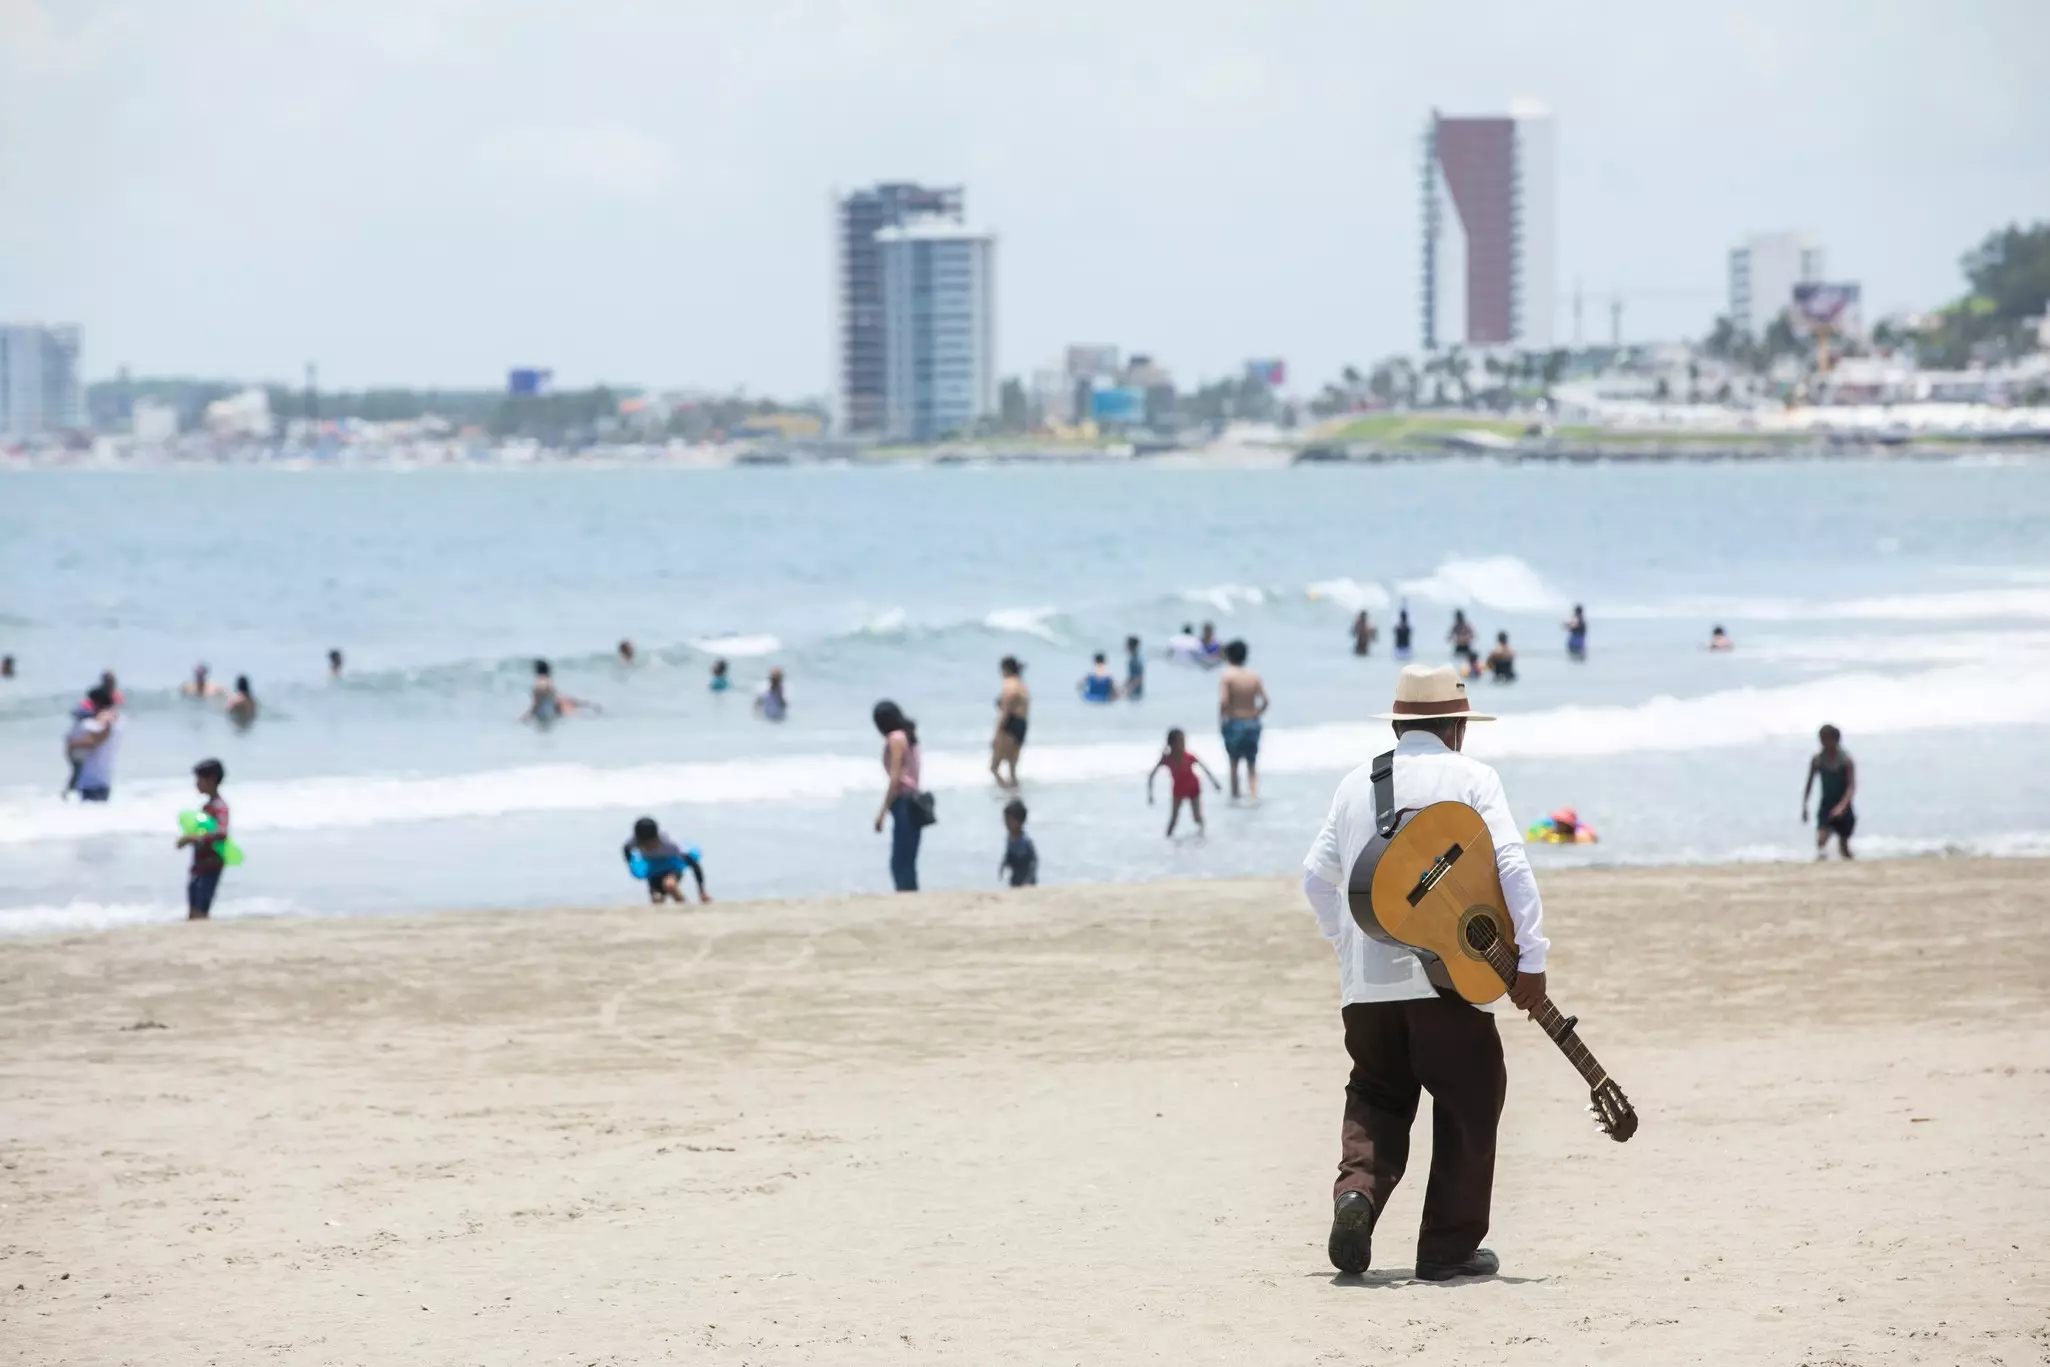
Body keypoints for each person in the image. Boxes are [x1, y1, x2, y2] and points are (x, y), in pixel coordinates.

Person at [1300, 663, 1552, 1281]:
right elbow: (1513, 868)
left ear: (1396, 723)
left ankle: (1355, 1195)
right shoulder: (1472, 778)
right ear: (1456, 728)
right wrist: (1533, 958)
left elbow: (1315, 878)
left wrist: (1347, 944)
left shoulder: (1355, 784)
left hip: (1365, 990)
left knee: (1377, 1095)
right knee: (1471, 1094)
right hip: (1447, 989)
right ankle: (1446, 1247)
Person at [872, 701, 924, 892]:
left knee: (900, 860)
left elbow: (895, 779)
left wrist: (882, 812)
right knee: (908, 857)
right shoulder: (908, 737)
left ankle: (906, 895)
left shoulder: (895, 739)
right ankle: (911, 893)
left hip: (903, 802)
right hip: (915, 800)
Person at [175, 759, 231, 920]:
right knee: (194, 907)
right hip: (200, 865)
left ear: (211, 779)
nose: (196, 784)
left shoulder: (219, 807)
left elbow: (221, 833)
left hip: (210, 864)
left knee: (200, 908)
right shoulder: (206, 807)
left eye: (199, 779)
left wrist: (192, 838)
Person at [1217, 639, 1269, 800]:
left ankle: (1235, 797)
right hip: (1252, 723)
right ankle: (1254, 797)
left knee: (1234, 763)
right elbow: (1266, 701)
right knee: (1251, 765)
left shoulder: (1227, 677)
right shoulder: (1254, 676)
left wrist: (1222, 721)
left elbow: (1224, 702)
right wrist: (1255, 714)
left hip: (1235, 723)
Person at [1148, 728, 1220, 836]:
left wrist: (1214, 782)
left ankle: (1202, 834)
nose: (1183, 744)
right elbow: (1151, 775)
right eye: (1180, 741)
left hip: (1193, 788)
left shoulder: (1189, 757)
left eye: (1184, 741)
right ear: (1172, 744)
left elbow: (1205, 768)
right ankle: (1167, 840)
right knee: (1173, 820)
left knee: (1197, 817)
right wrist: (1150, 795)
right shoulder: (1167, 759)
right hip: (1178, 790)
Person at [622, 816, 710, 904]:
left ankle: (684, 907)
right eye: (644, 844)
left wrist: (702, 890)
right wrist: (631, 864)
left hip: (673, 866)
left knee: (670, 885)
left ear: (656, 838)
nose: (648, 847)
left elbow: (694, 864)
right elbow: (626, 849)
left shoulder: (671, 844)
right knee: (656, 898)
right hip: (653, 868)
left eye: (650, 844)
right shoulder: (634, 842)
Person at [1801, 724, 1857, 860]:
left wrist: (1841, 807)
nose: (1823, 743)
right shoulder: (1818, 760)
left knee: (1843, 847)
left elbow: (1851, 786)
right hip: (1826, 804)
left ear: (1835, 740)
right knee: (1821, 840)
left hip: (1843, 805)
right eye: (1821, 739)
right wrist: (1805, 805)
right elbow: (1810, 783)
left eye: (1826, 739)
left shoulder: (1846, 760)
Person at [69, 683, 121, 802]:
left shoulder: (92, 726)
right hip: (102, 781)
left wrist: (73, 744)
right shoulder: (117, 723)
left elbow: (93, 741)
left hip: (90, 783)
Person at [991, 656, 1029, 788]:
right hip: (1022, 724)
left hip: (1010, 725)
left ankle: (1006, 793)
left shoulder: (1009, 685)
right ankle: (1015, 793)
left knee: (994, 767)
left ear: (1005, 669)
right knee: (1012, 769)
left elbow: (1004, 712)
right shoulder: (1021, 685)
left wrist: (996, 735)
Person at [520, 659, 590, 723]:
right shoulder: (549, 681)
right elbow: (556, 696)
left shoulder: (539, 684)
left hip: (544, 712)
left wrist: (526, 716)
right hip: (553, 709)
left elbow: (536, 704)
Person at [999, 798, 1038, 887]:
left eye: (1010, 820)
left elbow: (1033, 861)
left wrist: (1030, 879)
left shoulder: (1025, 841)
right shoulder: (1009, 838)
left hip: (1026, 875)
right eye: (1005, 820)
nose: (1007, 823)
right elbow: (1008, 854)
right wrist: (1003, 866)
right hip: (1015, 874)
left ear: (1020, 821)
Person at [1123, 635, 1145, 701]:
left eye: (1127, 645)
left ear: (1131, 646)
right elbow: (1131, 677)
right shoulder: (1136, 658)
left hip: (1135, 692)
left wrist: (1128, 690)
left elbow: (1138, 678)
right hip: (1135, 690)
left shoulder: (1135, 660)